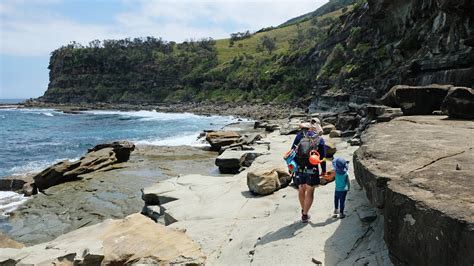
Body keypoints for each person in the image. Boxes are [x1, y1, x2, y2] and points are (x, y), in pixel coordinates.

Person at [291, 120, 325, 223]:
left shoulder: (298, 136)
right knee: (310, 191)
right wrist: (323, 170)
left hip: (299, 168)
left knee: (301, 190)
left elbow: (292, 152)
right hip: (312, 168)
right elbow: (322, 157)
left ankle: (303, 211)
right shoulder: (319, 139)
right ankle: (305, 215)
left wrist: (291, 167)